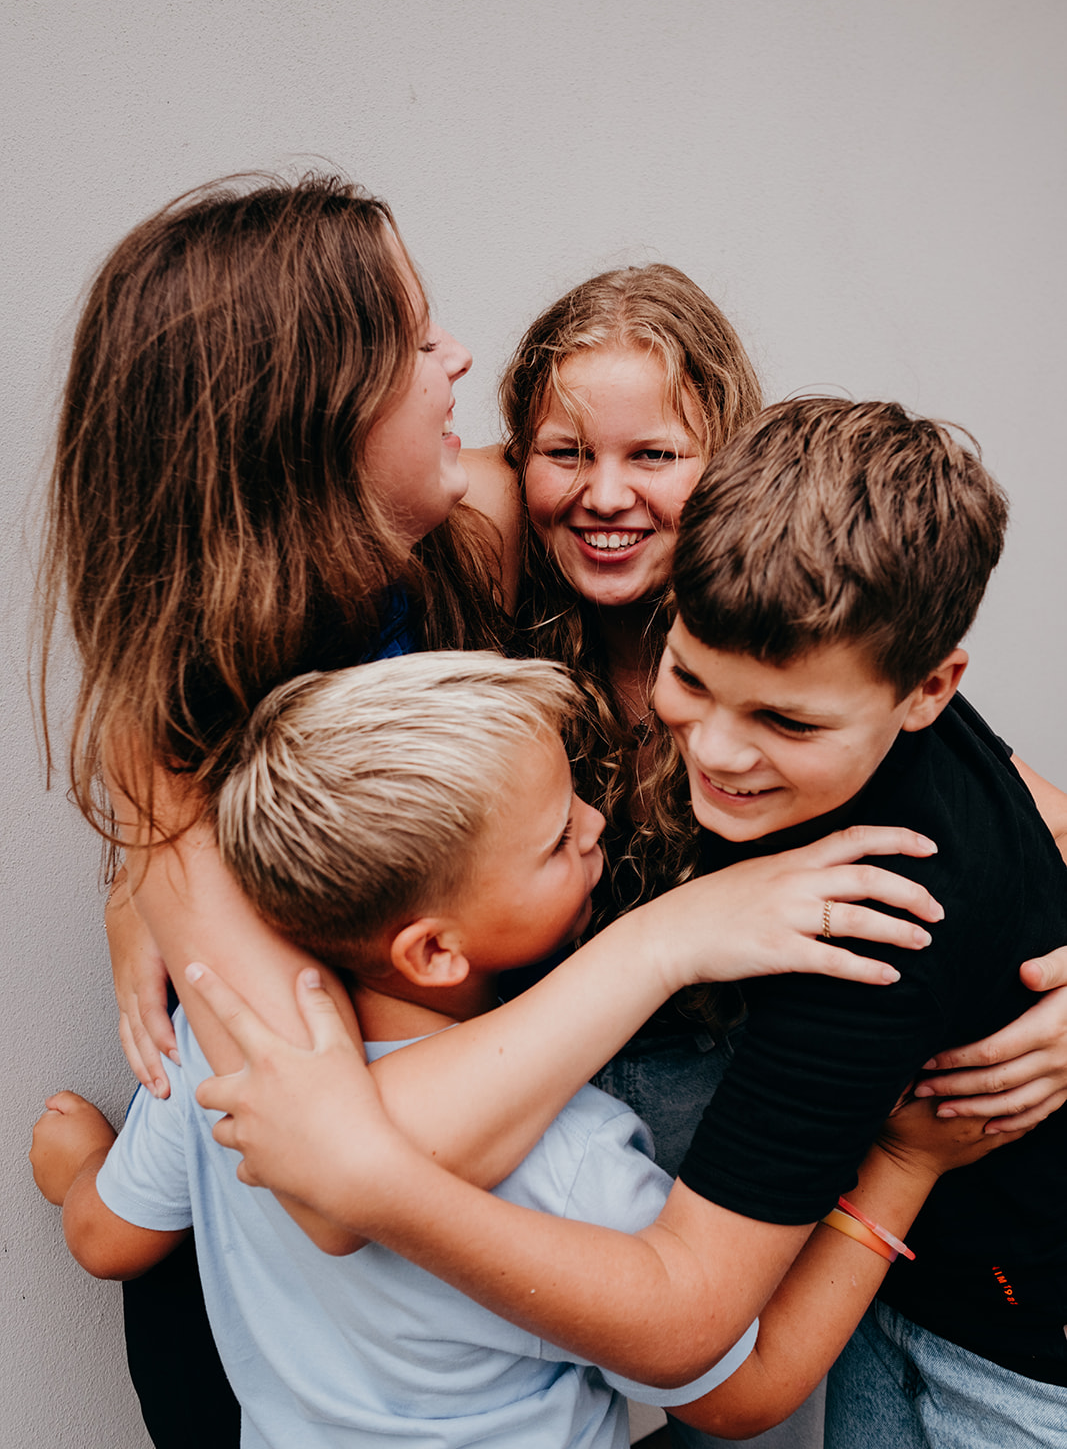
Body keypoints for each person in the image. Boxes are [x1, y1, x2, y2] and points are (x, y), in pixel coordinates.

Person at [40, 181, 947, 1447]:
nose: (460, 357)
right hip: (269, 1316)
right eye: (416, 342)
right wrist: (670, 937)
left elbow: (830, 617)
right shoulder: (177, 766)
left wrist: (1031, 899)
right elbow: (338, 1183)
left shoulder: (485, 517)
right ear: (315, 424)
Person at [188, 399, 1067, 1447]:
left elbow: (686, 1330)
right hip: (908, 1292)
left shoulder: (872, 928)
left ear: (929, 689)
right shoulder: (839, 638)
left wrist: (378, 1188)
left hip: (1007, 1361)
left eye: (785, 722)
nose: (719, 754)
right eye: (689, 677)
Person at [30, 651, 1015, 1448]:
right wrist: (901, 1166)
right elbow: (740, 1392)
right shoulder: (572, 1160)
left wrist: (78, 1168)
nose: (596, 823)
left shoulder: (223, 1053)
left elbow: (107, 1238)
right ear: (433, 949)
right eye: (555, 841)